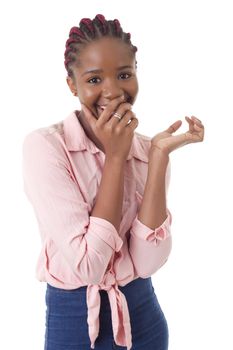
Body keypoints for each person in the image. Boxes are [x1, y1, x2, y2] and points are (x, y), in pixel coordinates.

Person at [22, 14, 204, 350]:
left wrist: (160, 157)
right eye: (93, 79)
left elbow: (147, 263)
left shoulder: (149, 150)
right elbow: (89, 266)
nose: (113, 91)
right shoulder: (46, 148)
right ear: (72, 85)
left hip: (143, 316)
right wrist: (116, 158)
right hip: (75, 323)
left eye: (124, 74)